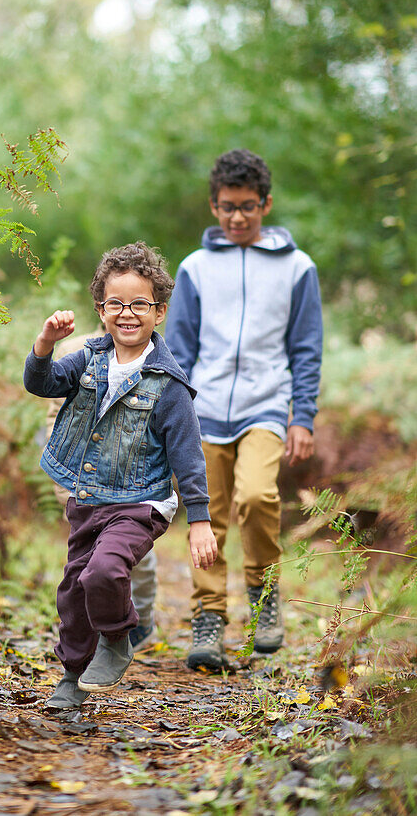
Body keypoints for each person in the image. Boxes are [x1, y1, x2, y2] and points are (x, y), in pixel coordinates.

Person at [24, 242, 217, 710]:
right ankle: (72, 675)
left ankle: (117, 636)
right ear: (101, 309)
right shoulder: (88, 358)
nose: (127, 314)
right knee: (73, 589)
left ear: (159, 311)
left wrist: (200, 519)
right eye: (116, 303)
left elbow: (188, 455)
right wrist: (46, 343)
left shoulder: (168, 385)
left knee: (104, 572)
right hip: (89, 497)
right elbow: (41, 383)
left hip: (141, 502)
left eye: (139, 304)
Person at [164, 149, 322, 670]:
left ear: (266, 204)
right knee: (206, 514)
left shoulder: (298, 269)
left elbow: (305, 348)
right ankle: (208, 618)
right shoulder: (195, 268)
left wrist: (303, 416)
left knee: (256, 496)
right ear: (213, 205)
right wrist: (171, 416)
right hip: (202, 409)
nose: (237, 216)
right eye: (228, 206)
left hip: (266, 406)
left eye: (248, 206)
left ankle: (263, 594)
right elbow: (179, 351)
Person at [45, 331, 159, 653]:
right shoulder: (77, 352)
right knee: (86, 563)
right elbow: (56, 417)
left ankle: (142, 621)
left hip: (133, 482)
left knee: (140, 559)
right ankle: (96, 634)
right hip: (85, 481)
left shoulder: (153, 355)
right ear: (101, 305)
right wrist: (64, 483)